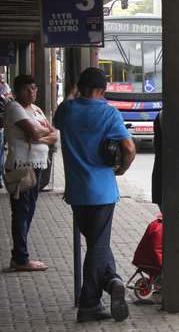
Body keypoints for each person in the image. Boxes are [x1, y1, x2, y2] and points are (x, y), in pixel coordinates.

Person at [54, 67, 136, 323]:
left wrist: (71, 93)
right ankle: (89, 304)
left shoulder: (66, 110)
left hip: (77, 192)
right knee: (97, 247)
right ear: (103, 90)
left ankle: (112, 282)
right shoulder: (108, 112)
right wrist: (121, 169)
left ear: (79, 86)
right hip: (102, 191)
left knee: (96, 245)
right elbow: (129, 148)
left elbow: (57, 120)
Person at [3, 74, 57, 272]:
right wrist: (39, 133)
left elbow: (54, 134)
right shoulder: (14, 108)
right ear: (17, 91)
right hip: (21, 168)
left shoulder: (36, 109)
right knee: (21, 212)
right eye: (28, 89)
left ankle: (21, 255)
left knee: (29, 211)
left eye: (34, 88)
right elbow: (34, 132)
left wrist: (39, 136)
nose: (32, 92)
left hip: (37, 166)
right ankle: (20, 258)